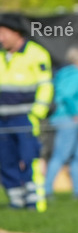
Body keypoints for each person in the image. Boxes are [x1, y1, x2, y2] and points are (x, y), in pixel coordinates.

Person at [0, 13, 53, 211]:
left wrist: (37, 113)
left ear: (16, 33)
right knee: (6, 160)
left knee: (30, 158)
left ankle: (34, 201)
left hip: (25, 118)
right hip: (2, 120)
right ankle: (17, 200)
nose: (0, 38)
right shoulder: (1, 55)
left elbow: (45, 86)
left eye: (3, 33)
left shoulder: (36, 54)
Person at [43, 45, 78, 201]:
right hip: (69, 120)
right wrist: (75, 114)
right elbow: (67, 95)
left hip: (66, 119)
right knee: (61, 155)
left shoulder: (64, 73)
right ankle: (45, 191)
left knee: (77, 156)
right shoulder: (77, 74)